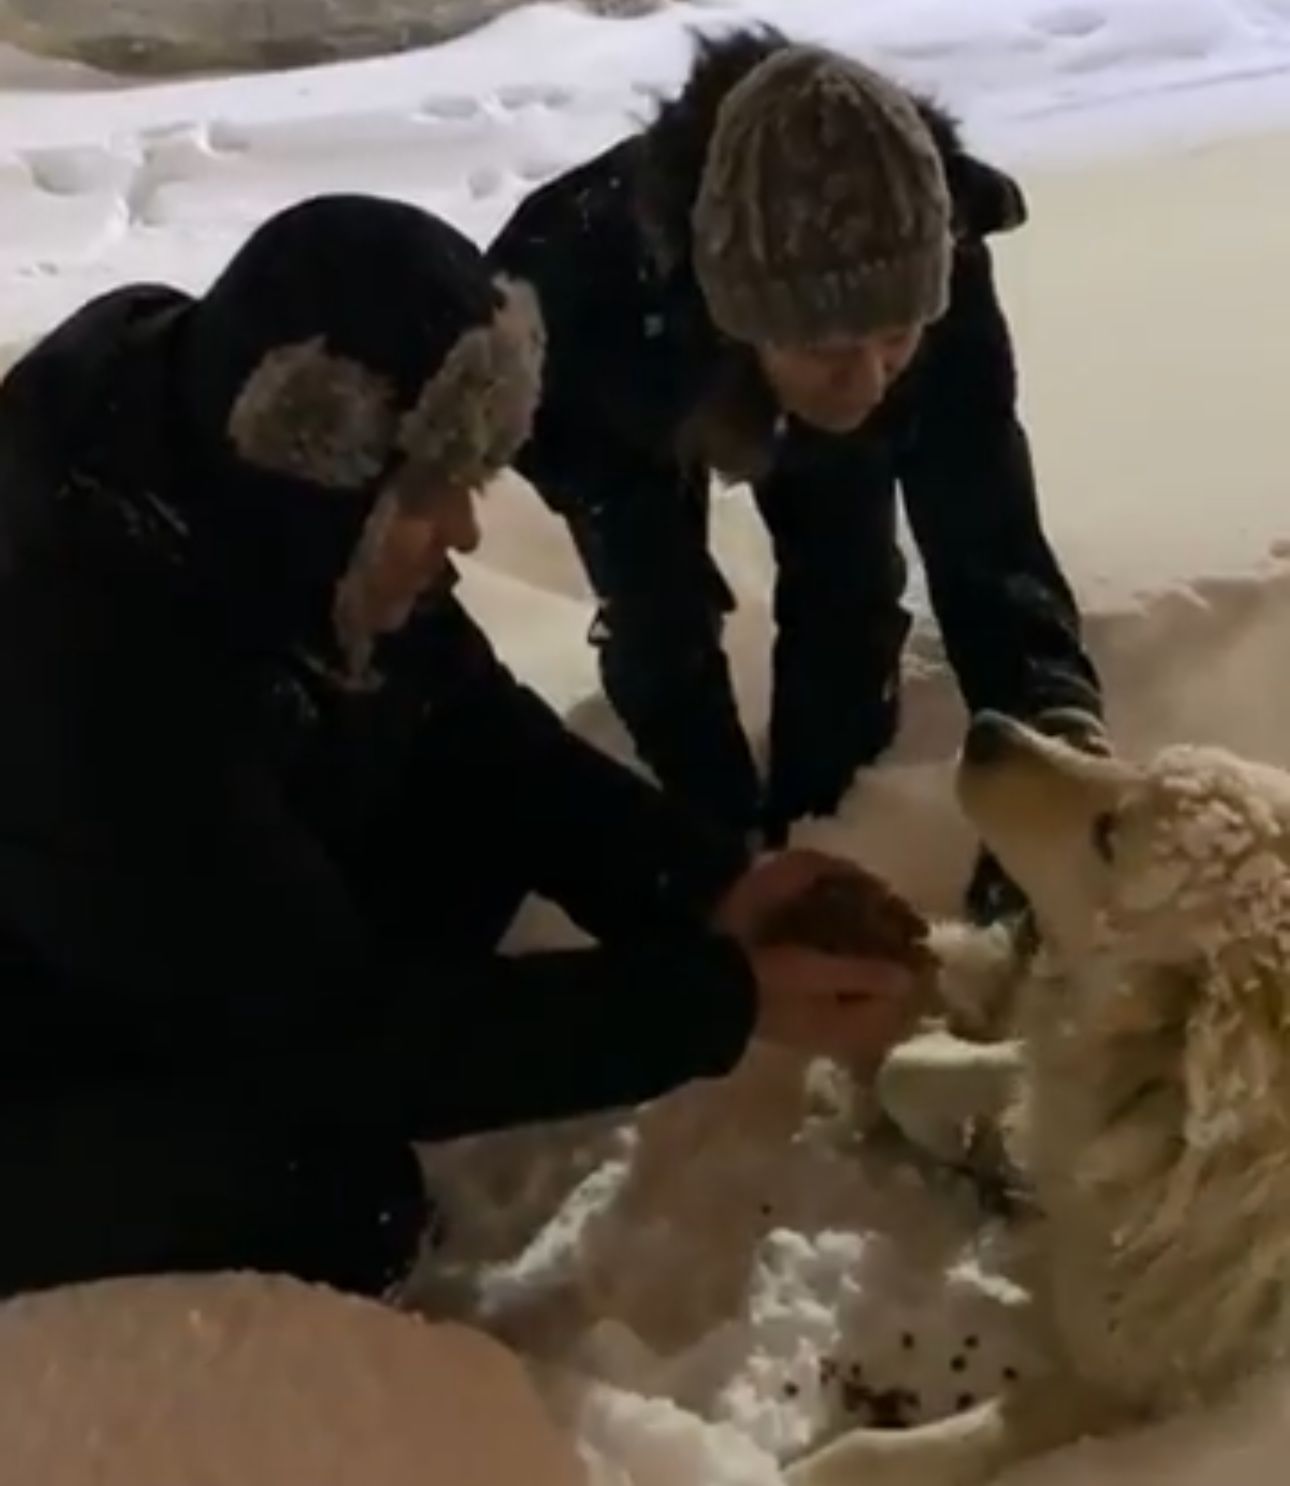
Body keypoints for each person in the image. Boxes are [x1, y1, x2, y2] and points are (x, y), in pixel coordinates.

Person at [0, 194, 921, 1302]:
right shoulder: (87, 662)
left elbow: (474, 725)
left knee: (464, 825)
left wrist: (709, 885)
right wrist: (717, 1001)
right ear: (319, 464)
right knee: (331, 1194)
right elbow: (329, 1038)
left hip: (165, 905)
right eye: (433, 498)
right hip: (32, 1032)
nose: (468, 535)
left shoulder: (267, 495)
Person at [489, 27, 1107, 919]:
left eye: (895, 341)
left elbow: (988, 539)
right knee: (662, 625)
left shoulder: (935, 260)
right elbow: (658, 613)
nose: (865, 381)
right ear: (744, 319)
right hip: (640, 360)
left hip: (750, 346)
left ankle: (830, 814)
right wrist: (713, 861)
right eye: (827, 348)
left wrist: (1055, 750)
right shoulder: (580, 309)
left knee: (846, 579)